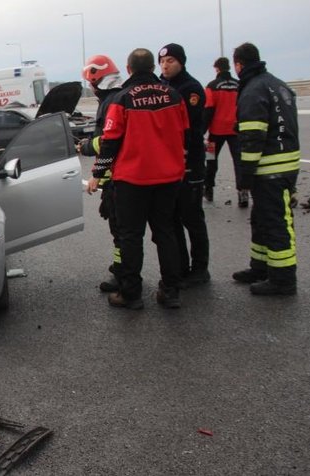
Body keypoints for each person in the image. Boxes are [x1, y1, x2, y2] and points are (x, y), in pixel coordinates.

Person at [95, 48, 188, 309]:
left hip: (132, 181)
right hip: (169, 178)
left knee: (130, 237)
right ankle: (170, 291)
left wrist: (99, 174)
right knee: (166, 233)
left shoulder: (122, 99)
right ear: (153, 67)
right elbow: (185, 132)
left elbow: (109, 143)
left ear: (129, 69)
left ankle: (131, 294)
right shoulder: (173, 95)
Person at [231, 42, 300, 295]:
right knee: (261, 219)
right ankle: (260, 267)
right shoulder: (279, 85)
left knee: (275, 223)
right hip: (284, 164)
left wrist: (245, 174)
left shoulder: (252, 90)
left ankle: (283, 279)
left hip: (269, 168)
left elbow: (252, 135)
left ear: (238, 64)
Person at [159, 43, 211, 288]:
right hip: (169, 165)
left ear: (181, 61)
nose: (165, 65)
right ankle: (180, 267)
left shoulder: (191, 89)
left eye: (170, 60)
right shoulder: (163, 87)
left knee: (192, 217)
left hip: (189, 164)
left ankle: (200, 269)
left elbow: (190, 128)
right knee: (172, 218)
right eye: (162, 61)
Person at [80, 54, 125, 293]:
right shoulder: (116, 98)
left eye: (91, 83)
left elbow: (108, 142)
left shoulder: (111, 102)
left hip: (118, 178)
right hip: (122, 175)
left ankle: (124, 275)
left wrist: (86, 147)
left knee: (122, 231)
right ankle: (122, 269)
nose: (91, 87)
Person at [203, 57, 245, 206]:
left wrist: (202, 130)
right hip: (236, 130)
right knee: (239, 162)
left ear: (217, 69)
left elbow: (208, 109)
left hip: (215, 131)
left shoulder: (212, 86)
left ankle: (208, 189)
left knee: (210, 160)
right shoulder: (239, 85)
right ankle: (242, 192)